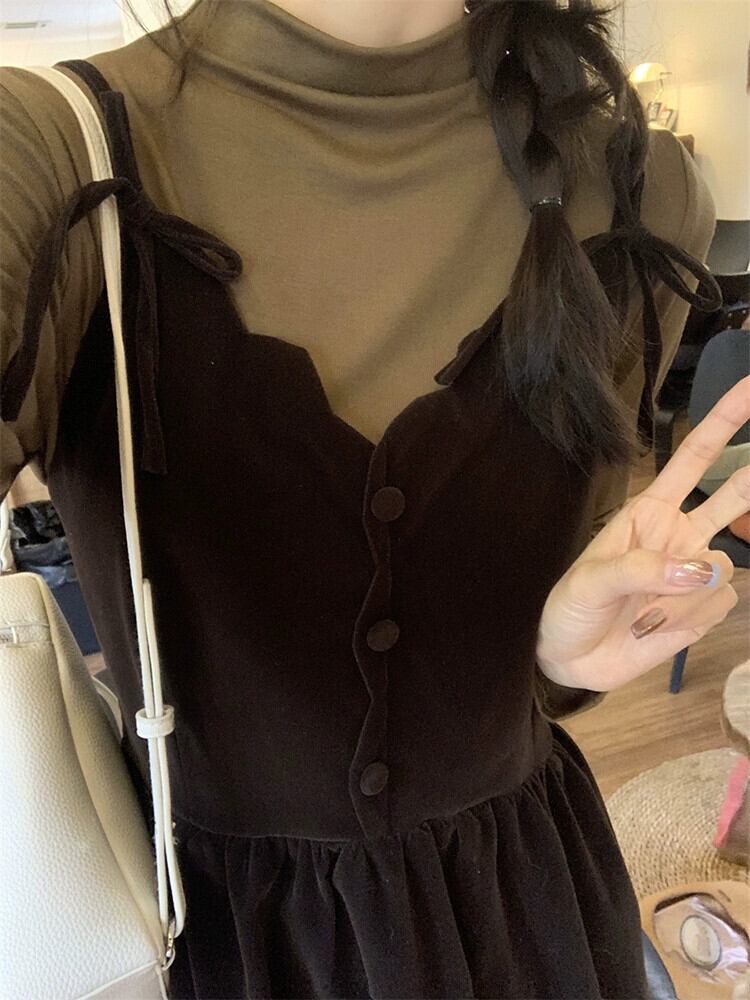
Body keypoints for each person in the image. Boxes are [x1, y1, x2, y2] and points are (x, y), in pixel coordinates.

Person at [1, 1, 746, 997]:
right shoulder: (46, 154)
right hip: (216, 939)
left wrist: (554, 654)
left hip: (525, 911)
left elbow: (562, 609)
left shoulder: (643, 186)